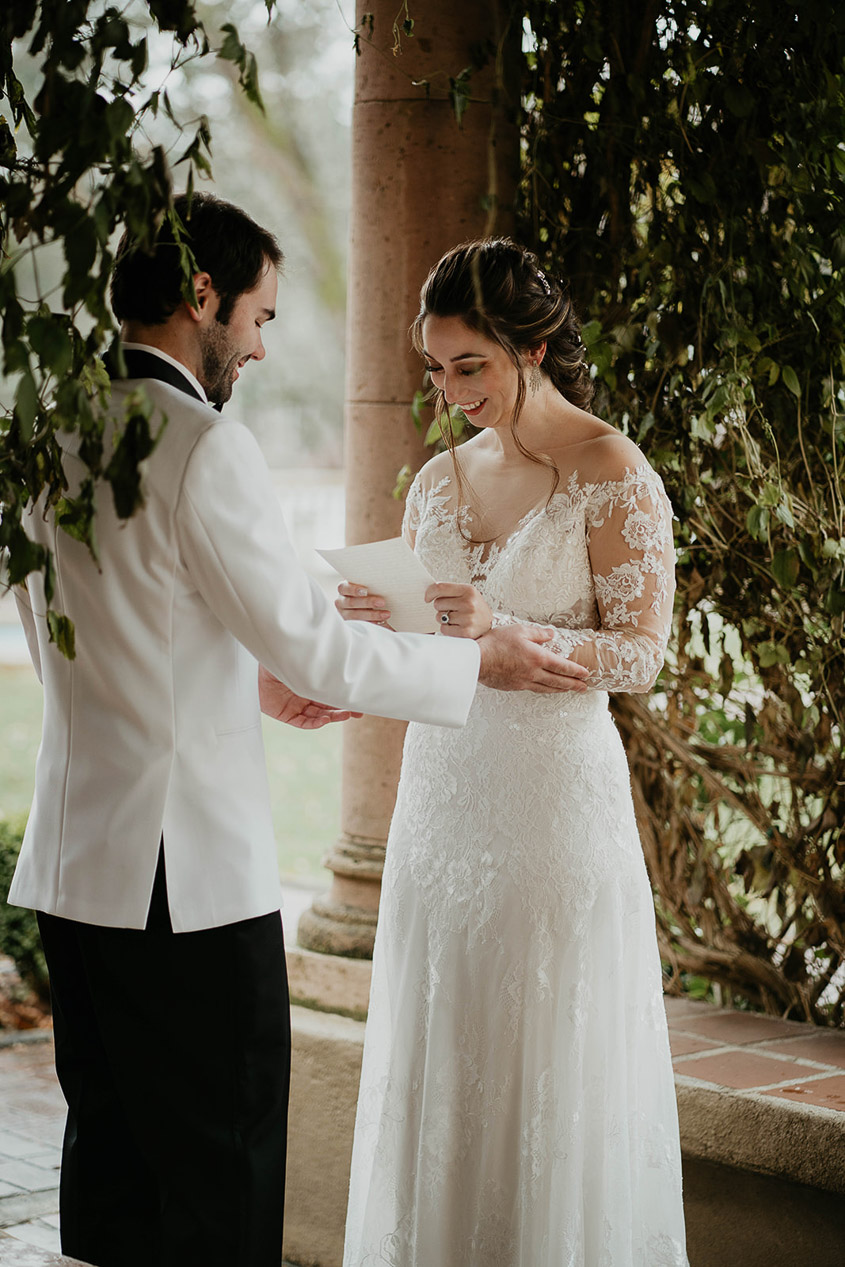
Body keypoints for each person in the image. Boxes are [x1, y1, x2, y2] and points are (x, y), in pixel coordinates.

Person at [7, 199, 590, 1267]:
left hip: (76, 871)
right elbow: (315, 654)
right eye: (260, 316)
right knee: (219, 1186)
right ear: (201, 299)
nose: (264, 345)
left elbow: (96, 638)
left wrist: (247, 683)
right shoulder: (199, 444)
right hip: (183, 884)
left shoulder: (45, 428)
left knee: (115, 1190)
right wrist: (474, 658)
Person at [338, 238, 689, 1266]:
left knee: (547, 1051)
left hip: (549, 806)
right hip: (441, 799)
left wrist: (506, 632)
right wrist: (380, 616)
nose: (449, 394)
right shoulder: (437, 481)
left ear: (529, 346)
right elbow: (425, 640)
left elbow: (640, 655)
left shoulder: (607, 469)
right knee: (445, 1046)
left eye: (469, 367)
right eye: (436, 370)